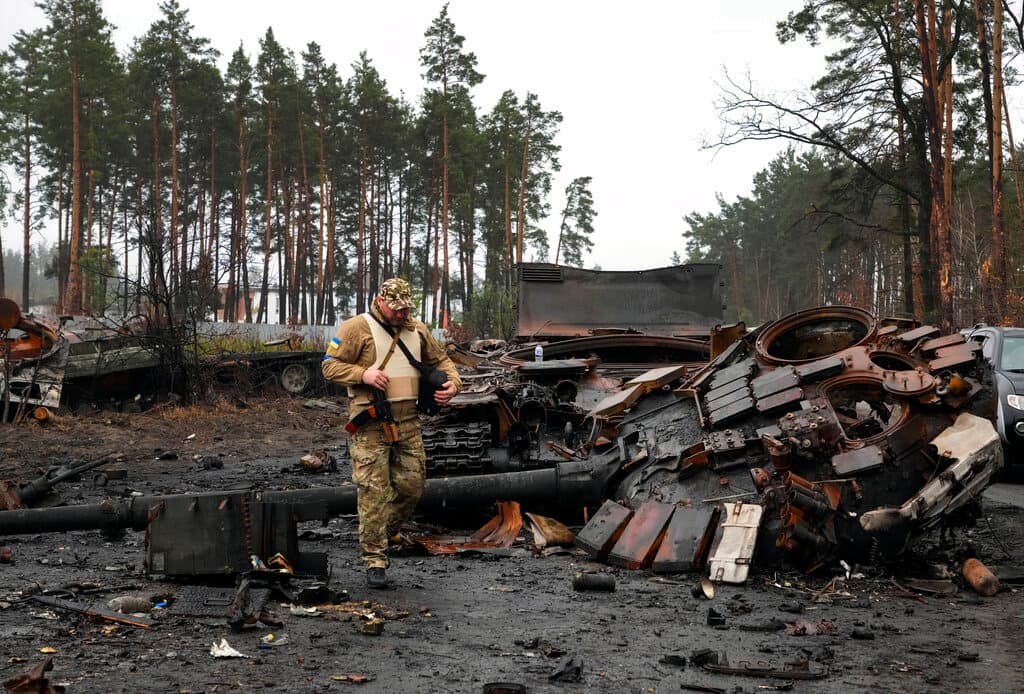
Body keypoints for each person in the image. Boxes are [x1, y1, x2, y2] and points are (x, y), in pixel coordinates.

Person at [322, 278, 461, 588]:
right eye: (396, 309)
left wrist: (453, 384)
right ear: (381, 301)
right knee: (373, 491)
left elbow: (441, 360)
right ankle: (375, 558)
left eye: (406, 309)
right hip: (370, 422)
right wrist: (363, 374)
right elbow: (329, 366)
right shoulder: (356, 328)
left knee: (412, 485)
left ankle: (378, 533)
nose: (401, 314)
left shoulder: (417, 330)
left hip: (409, 420)